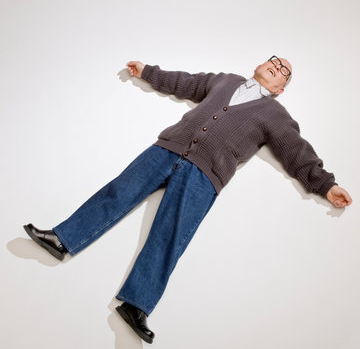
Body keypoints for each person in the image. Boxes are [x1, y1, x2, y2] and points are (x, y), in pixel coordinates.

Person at [23, 56, 352, 344]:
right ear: (259, 65)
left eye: (284, 71)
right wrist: (148, 72)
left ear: (281, 88)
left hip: (204, 176)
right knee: (117, 192)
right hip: (166, 150)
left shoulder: (276, 115)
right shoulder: (225, 81)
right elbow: (186, 83)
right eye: (275, 60)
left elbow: (297, 152)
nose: (276, 66)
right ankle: (61, 239)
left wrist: (326, 186)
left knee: (171, 235)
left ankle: (136, 304)